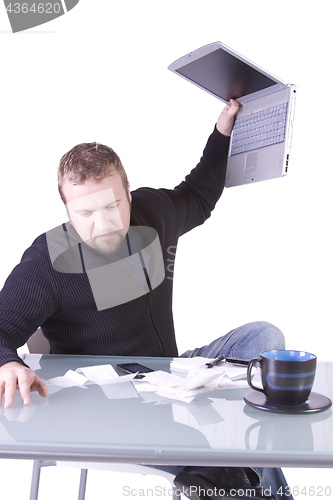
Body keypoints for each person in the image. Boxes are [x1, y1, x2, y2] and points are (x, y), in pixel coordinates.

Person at [0, 100, 292, 500]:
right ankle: (220, 469)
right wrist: (8, 361)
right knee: (233, 450)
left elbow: (198, 195)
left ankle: (220, 467)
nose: (102, 224)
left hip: (171, 375)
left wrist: (223, 131)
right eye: (85, 212)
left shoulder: (152, 215)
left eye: (112, 205)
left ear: (129, 194)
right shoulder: (48, 261)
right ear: (66, 208)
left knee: (265, 337)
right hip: (108, 408)